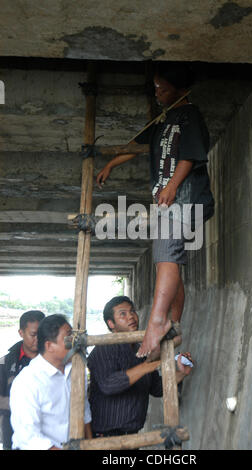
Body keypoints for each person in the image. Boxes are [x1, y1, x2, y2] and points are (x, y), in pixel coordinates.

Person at [96, 62, 214, 360]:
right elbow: (138, 143)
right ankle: (173, 321)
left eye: (163, 88)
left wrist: (173, 186)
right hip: (169, 202)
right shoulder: (163, 121)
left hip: (183, 198)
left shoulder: (189, 115)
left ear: (181, 90)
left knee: (165, 257)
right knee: (169, 261)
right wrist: (111, 163)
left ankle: (159, 321)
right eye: (156, 88)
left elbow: (190, 155)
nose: (157, 93)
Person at [87, 296, 193, 438]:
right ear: (111, 323)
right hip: (105, 438)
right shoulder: (104, 348)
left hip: (132, 437)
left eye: (132, 311)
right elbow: (108, 385)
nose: (131, 316)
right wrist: (147, 366)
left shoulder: (141, 350)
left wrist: (181, 373)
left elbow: (156, 388)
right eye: (123, 314)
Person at [9, 314, 92, 450]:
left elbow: (84, 412)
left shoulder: (77, 370)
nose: (76, 343)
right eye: (69, 338)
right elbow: (29, 438)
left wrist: (91, 444)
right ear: (49, 346)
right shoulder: (27, 382)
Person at [0, 309, 45, 449]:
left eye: (41, 334)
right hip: (12, 432)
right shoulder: (5, 364)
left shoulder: (54, 361)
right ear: (21, 333)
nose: (38, 339)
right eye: (33, 334)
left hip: (47, 432)